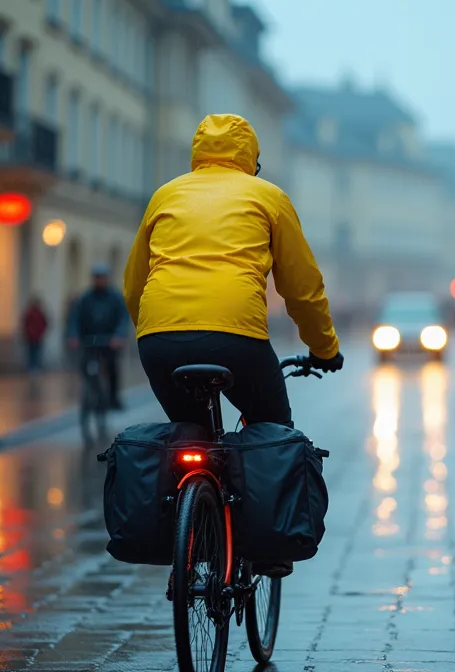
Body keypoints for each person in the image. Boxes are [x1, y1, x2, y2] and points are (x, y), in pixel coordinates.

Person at [124, 114, 342, 578]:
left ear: (197, 154)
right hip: (237, 338)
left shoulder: (166, 194)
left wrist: (154, 332)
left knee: (192, 431)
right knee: (272, 430)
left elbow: (133, 284)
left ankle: (195, 529)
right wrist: (325, 348)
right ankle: (269, 546)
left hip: (160, 338)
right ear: (252, 161)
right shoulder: (268, 197)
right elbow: (302, 289)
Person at [68, 264, 130, 410]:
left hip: (109, 340)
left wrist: (119, 336)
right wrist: (73, 336)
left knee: (112, 366)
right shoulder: (85, 298)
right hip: (89, 340)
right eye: (96, 278)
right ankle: (90, 392)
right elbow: (75, 318)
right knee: (85, 366)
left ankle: (113, 397)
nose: (99, 280)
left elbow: (122, 318)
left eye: (101, 277)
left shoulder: (114, 297)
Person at [22, 297, 49, 372]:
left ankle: (33, 367)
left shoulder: (31, 313)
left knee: (33, 352)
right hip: (34, 336)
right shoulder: (34, 313)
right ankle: (34, 366)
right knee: (35, 352)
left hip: (34, 336)